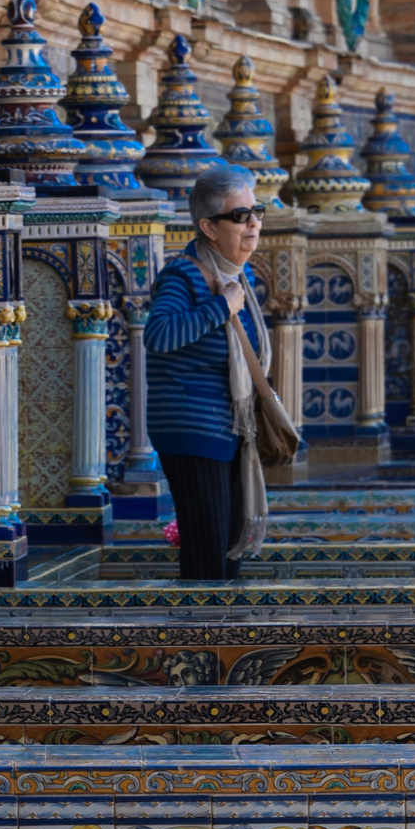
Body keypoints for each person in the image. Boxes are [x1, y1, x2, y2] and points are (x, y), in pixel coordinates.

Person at [144, 163, 269, 580]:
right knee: (208, 554)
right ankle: (198, 640)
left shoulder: (237, 274)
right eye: (240, 215)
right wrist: (221, 307)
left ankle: (221, 633)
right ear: (209, 228)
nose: (253, 223)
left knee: (229, 549)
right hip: (193, 429)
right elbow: (158, 335)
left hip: (227, 427)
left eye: (257, 212)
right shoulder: (183, 275)